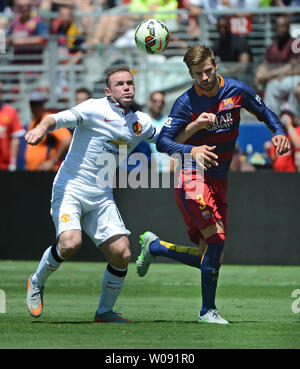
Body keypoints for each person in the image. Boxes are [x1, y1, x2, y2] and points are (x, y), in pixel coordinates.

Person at [135, 45, 290, 324]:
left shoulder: (237, 91)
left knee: (211, 257)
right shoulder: (185, 103)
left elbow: (265, 112)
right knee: (216, 239)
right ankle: (207, 311)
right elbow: (162, 142)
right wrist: (192, 143)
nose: (204, 78)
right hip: (192, 176)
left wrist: (279, 132)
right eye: (197, 74)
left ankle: (155, 247)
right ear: (190, 73)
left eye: (207, 71)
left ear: (215, 65)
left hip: (219, 181)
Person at [25, 66, 160, 323]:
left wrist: (195, 138)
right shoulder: (93, 108)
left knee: (122, 254)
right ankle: (36, 280)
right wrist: (42, 128)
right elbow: (55, 118)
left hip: (101, 196)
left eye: (130, 82)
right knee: (70, 244)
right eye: (120, 84)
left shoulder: (140, 122)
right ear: (109, 92)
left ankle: (104, 312)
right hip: (71, 188)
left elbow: (168, 140)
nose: (127, 87)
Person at [255, 15, 300, 115]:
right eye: (278, 26)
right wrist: (259, 73)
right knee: (271, 86)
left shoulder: (295, 43)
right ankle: (272, 119)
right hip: (277, 80)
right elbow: (265, 63)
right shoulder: (273, 45)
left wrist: (271, 74)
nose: (281, 29)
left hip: (294, 78)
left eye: (283, 26)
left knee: (292, 84)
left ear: (288, 27)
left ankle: (295, 118)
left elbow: (296, 67)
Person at [24, 90, 72, 171]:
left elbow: (67, 139)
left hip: (47, 172)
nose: (34, 107)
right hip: (32, 172)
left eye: (37, 104)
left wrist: (53, 161)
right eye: (32, 104)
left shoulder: (48, 121)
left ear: (43, 105)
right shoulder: (33, 121)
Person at [8, 0, 49, 64]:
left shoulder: (38, 21)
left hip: (33, 65)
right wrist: (10, 41)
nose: (25, 8)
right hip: (17, 63)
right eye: (21, 6)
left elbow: (44, 39)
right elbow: (8, 38)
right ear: (17, 7)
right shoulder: (14, 22)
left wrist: (23, 41)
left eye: (27, 6)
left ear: (31, 6)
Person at [0, 81, 25, 171]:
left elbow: (15, 140)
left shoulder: (10, 111)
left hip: (5, 166)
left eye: (1, 90)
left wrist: (13, 162)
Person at [147, 90, 174, 172]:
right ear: (149, 102)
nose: (159, 104)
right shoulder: (144, 123)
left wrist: (171, 167)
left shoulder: (168, 122)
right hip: (148, 170)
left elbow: (173, 144)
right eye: (155, 101)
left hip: (167, 170)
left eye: (161, 102)